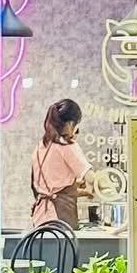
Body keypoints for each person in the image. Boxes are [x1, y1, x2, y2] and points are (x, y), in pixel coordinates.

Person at [30, 98, 93, 229]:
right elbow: (90, 177)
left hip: (40, 216)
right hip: (59, 218)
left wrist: (79, 189)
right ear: (70, 124)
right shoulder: (66, 145)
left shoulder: (40, 147)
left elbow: (53, 187)